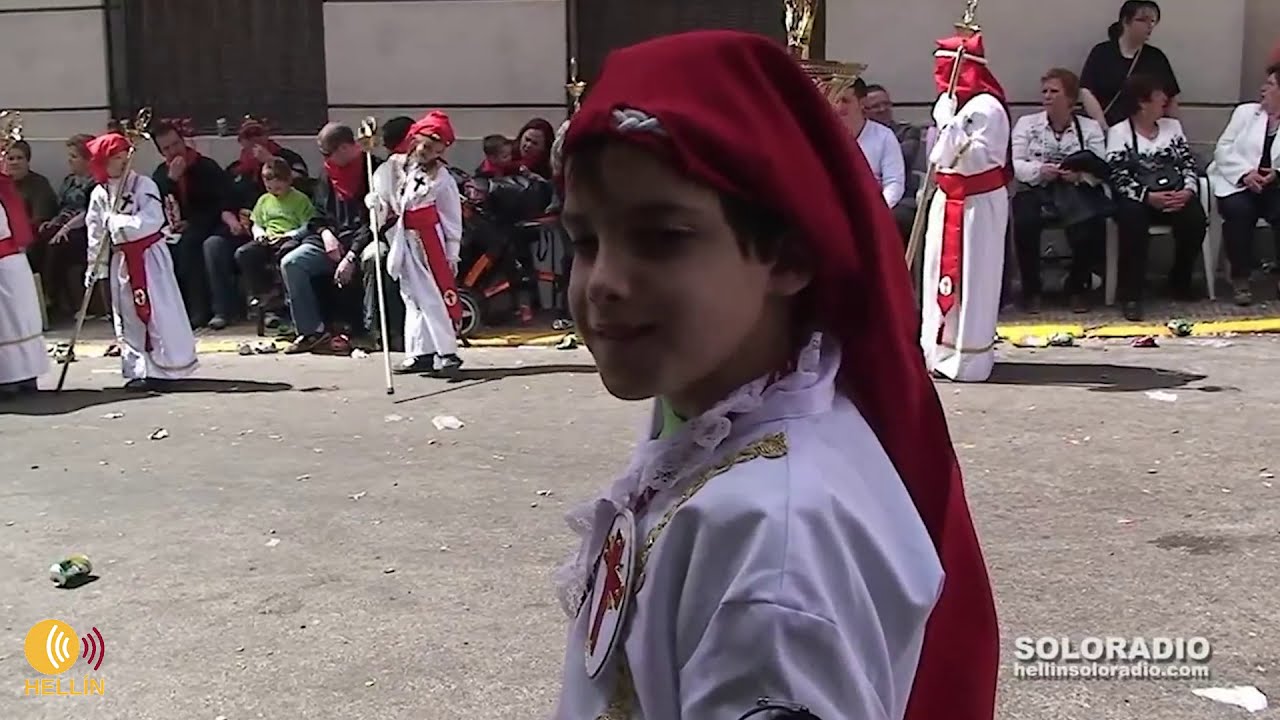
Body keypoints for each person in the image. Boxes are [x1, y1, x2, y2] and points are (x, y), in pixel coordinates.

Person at [551, 29, 996, 720]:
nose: (603, 280)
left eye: (662, 237)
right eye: (584, 241)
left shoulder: (772, 539)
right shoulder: (713, 429)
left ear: (788, 256)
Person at [920, 31, 1011, 383]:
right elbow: (938, 160)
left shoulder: (987, 109)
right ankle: (938, 348)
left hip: (977, 205)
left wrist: (948, 125)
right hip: (948, 200)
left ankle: (967, 358)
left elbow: (974, 159)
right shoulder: (953, 103)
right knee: (936, 274)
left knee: (974, 276)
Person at [84, 132, 199, 390]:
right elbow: (96, 234)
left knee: (158, 311)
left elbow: (152, 219)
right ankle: (138, 369)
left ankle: (167, 368)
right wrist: (96, 266)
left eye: (125, 157)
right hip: (122, 261)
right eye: (115, 158)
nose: (123, 163)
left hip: (149, 258)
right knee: (129, 315)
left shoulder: (143, 185)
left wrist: (118, 223)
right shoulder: (99, 194)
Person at [1105, 73, 1206, 321]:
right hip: (1140, 198)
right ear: (1142, 101)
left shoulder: (1173, 128)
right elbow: (1117, 176)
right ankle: (1131, 295)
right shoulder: (1120, 132)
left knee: (1194, 218)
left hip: (1174, 193)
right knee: (1132, 219)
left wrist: (1188, 191)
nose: (1165, 99)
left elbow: (1187, 164)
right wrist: (1147, 197)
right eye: (1160, 94)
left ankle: (1180, 280)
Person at [1010, 68, 1109, 313]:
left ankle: (1077, 286)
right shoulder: (1027, 124)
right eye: (1044, 91)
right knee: (1025, 221)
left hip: (1074, 189)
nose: (1047, 96)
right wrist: (1040, 171)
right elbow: (1017, 164)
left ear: (1071, 99)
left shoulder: (1089, 128)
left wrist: (1079, 176)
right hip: (1037, 187)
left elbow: (1101, 165)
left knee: (1090, 222)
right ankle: (1032, 289)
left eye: (1054, 91)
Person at [281, 123, 380, 354]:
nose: (325, 159)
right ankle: (311, 331)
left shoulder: (373, 170)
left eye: (328, 153)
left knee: (374, 257)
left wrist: (351, 255)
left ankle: (369, 330)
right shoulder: (328, 173)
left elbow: (374, 220)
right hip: (332, 239)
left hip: (363, 239)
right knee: (292, 263)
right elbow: (318, 213)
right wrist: (326, 235)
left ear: (345, 148)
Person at [383, 111, 464, 375]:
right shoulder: (399, 166)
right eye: (423, 144)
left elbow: (452, 218)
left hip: (428, 241)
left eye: (433, 148)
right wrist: (376, 201)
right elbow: (384, 191)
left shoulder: (442, 179)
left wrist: (452, 253)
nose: (425, 151)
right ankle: (420, 352)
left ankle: (447, 351)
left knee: (433, 297)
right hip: (404, 238)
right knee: (412, 297)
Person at [151, 120, 238, 327]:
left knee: (194, 246)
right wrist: (171, 181)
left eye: (176, 144)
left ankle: (205, 310)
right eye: (167, 148)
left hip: (212, 224)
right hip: (178, 229)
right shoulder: (161, 174)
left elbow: (221, 202)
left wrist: (192, 223)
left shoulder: (205, 166)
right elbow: (156, 204)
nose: (173, 151)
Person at [1208, 63, 1280, 305]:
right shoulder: (1246, 113)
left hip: (1274, 186)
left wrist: (1276, 174)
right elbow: (1223, 149)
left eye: (1270, 85)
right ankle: (1240, 279)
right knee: (1239, 211)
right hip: (1237, 182)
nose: (1262, 89)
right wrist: (1245, 174)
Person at [232, 157, 315, 321]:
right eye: (269, 187)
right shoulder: (264, 200)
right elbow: (256, 222)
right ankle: (262, 293)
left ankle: (283, 293)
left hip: (289, 239)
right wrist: (259, 234)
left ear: (288, 181)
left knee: (286, 253)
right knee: (244, 253)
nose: (274, 191)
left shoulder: (300, 200)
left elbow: (308, 225)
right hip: (268, 240)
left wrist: (288, 235)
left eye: (278, 187)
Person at [1079, 0, 1180, 128]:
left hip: (1144, 133)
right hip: (1107, 127)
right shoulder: (1102, 52)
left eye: (1153, 21)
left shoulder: (1156, 57)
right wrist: (1102, 126)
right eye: (1142, 20)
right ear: (1126, 21)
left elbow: (1170, 97)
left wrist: (1173, 130)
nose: (1149, 26)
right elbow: (1086, 90)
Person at [361, 115, 413, 351]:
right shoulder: (383, 172)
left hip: (425, 236)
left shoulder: (426, 166)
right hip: (394, 237)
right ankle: (382, 330)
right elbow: (378, 222)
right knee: (377, 258)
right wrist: (376, 205)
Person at [0, 150, 49, 399]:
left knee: (9, 323)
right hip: (14, 263)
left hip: (5, 265)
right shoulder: (7, 190)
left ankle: (10, 379)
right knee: (18, 321)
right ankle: (26, 376)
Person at [37, 135, 99, 321]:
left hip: (83, 229)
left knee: (59, 245)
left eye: (74, 156)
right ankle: (41, 299)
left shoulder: (96, 183)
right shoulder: (69, 181)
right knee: (39, 240)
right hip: (64, 224)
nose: (69, 161)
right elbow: (62, 206)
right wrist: (53, 222)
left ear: (88, 160)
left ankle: (50, 295)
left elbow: (88, 212)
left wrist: (65, 228)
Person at [863, 83, 927, 242]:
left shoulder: (907, 132)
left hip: (902, 197)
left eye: (886, 104)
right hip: (867, 195)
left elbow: (904, 156)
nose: (882, 109)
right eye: (875, 106)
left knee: (891, 219)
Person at [835, 80, 905, 209]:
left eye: (845, 101)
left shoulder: (884, 136)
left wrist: (879, 211)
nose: (839, 107)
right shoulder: (826, 135)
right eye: (835, 101)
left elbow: (894, 182)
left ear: (862, 103)